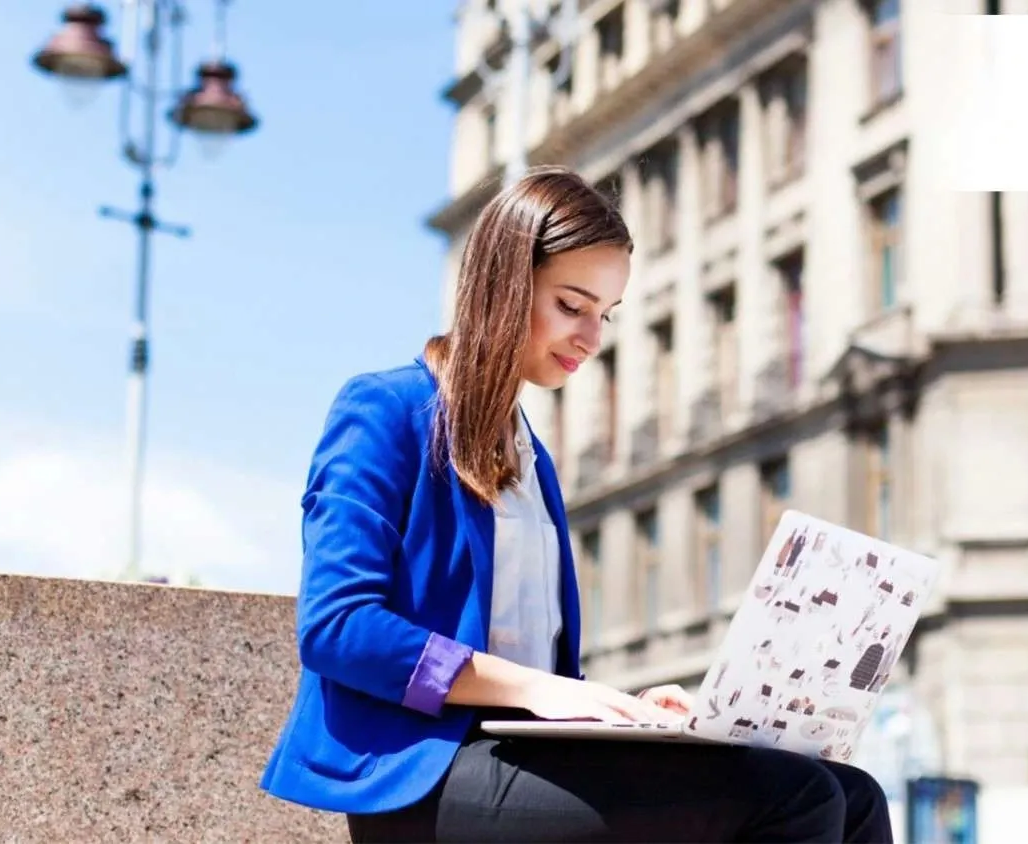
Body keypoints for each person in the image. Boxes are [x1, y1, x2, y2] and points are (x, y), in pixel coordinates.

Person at [258, 166, 893, 843]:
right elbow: (336, 627)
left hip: (522, 757)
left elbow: (536, 659)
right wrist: (541, 690)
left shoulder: (534, 461)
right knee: (791, 797)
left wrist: (626, 710)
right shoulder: (385, 410)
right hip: (419, 774)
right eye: (572, 305)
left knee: (854, 797)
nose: (592, 338)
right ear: (506, 283)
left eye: (605, 315)